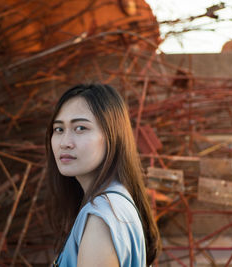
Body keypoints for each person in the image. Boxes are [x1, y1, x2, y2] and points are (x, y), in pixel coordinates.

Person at [45, 83, 160, 267]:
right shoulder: (114, 202)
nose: (64, 142)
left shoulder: (101, 217)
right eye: (59, 129)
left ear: (112, 137)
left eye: (80, 128)